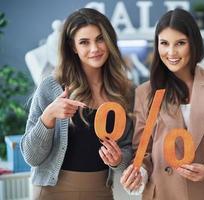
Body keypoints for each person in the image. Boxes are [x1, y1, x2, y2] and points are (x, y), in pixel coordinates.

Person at [121, 8, 204, 200]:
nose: (171, 52)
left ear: (193, 44)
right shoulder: (145, 93)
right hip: (165, 192)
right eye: (164, 43)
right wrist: (138, 172)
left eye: (180, 43)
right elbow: (143, 152)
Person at [20, 8, 133, 200]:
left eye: (100, 39)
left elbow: (128, 149)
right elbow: (31, 157)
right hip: (52, 191)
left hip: (101, 192)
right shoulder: (51, 86)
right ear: (73, 47)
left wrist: (119, 159)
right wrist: (48, 117)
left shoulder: (124, 92)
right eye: (84, 42)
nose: (95, 48)